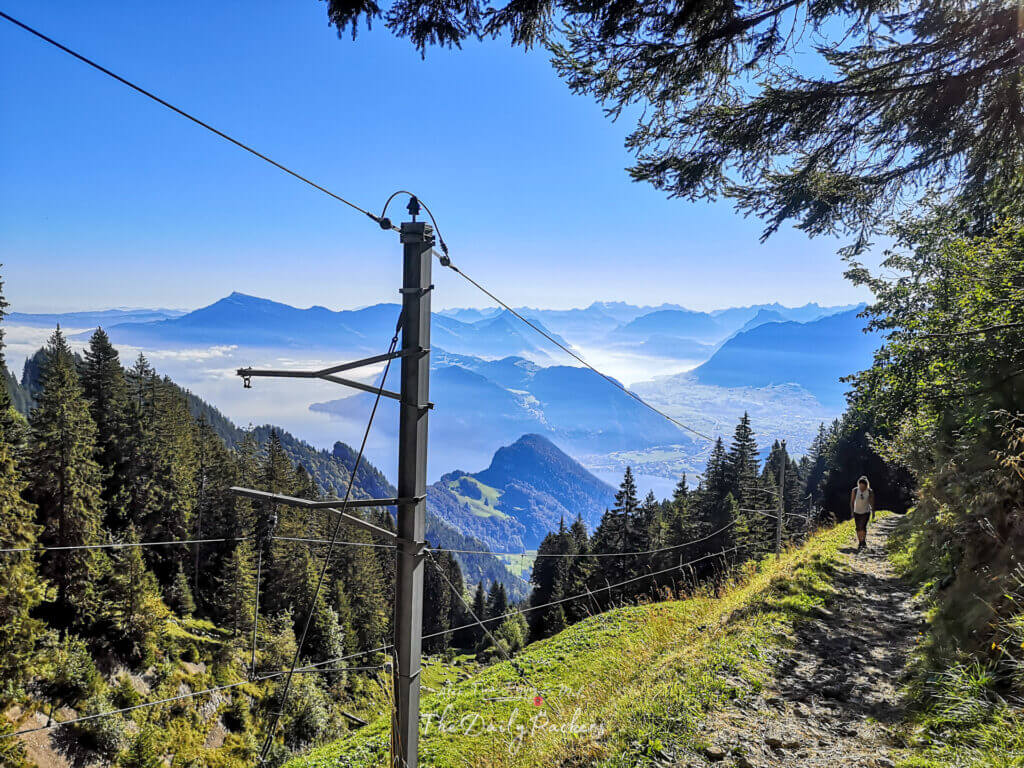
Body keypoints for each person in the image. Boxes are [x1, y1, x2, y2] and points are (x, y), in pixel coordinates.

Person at [850, 476, 875, 551]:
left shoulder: (869, 491)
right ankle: (860, 542)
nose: (861, 488)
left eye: (863, 486)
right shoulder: (855, 490)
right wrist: (852, 511)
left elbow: (872, 502)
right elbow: (852, 502)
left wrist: (873, 512)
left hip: (866, 512)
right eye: (860, 486)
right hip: (856, 511)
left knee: (863, 527)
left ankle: (863, 541)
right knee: (858, 528)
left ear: (866, 485)